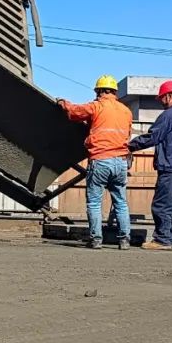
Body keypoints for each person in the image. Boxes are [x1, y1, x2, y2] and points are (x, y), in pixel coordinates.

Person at [57, 74, 134, 250]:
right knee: (121, 202)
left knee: (94, 202)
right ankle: (124, 241)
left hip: (100, 160)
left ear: (99, 91)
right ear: (115, 91)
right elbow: (127, 135)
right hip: (121, 161)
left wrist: (62, 103)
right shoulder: (126, 111)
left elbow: (75, 112)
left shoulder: (96, 106)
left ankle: (96, 240)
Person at [127, 80, 172, 251]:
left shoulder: (169, 116)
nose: (161, 101)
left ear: (168, 96)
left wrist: (130, 145)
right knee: (171, 206)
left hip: (169, 167)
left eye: (162, 98)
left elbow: (153, 136)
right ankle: (169, 238)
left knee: (161, 205)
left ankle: (162, 239)